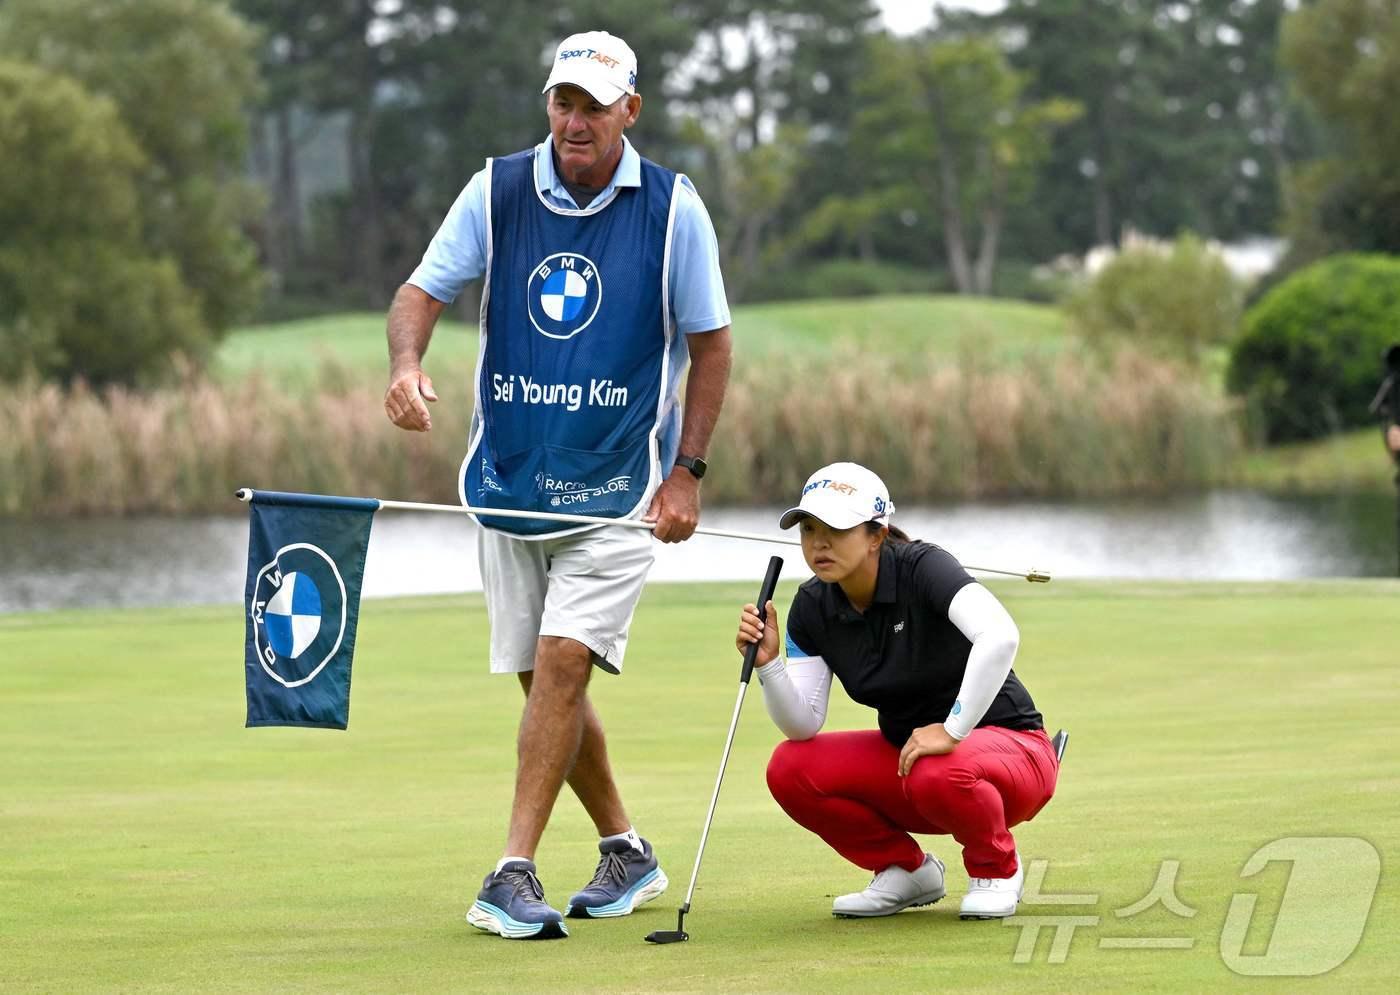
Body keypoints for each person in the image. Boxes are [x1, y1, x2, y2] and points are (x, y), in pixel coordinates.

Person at [383, 29, 732, 940]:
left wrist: (687, 472)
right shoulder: (496, 189)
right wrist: (405, 364)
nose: (574, 122)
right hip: (510, 480)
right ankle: (627, 847)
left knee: (566, 663)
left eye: (593, 105)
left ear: (630, 111)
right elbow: (420, 291)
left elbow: (711, 343)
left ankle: (512, 869)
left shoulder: (671, 208)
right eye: (562, 102)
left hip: (617, 486)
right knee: (547, 683)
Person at [735, 462, 1058, 920]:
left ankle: (996, 870)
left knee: (937, 767)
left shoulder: (924, 567)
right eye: (808, 528)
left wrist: (951, 730)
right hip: (920, 765)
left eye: (836, 529)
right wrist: (769, 665)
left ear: (876, 534)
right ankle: (906, 872)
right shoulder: (812, 605)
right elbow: (802, 723)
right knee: (790, 767)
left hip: (1014, 755)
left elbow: (1000, 636)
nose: (818, 543)